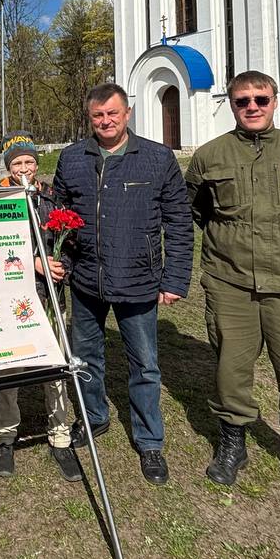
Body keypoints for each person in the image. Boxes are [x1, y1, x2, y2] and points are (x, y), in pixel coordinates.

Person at [185, 71, 280, 516]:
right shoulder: (210, 156)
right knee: (231, 368)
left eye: (261, 99)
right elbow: (198, 209)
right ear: (230, 105)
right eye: (242, 101)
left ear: (275, 100)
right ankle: (233, 442)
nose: (252, 107)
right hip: (231, 281)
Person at [51, 83, 193, 486]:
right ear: (89, 118)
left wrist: (175, 278)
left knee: (144, 364)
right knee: (85, 358)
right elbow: (58, 217)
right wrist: (60, 261)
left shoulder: (156, 158)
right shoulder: (73, 158)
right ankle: (94, 417)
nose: (106, 121)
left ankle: (149, 441)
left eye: (112, 114)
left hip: (137, 278)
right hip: (86, 278)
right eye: (98, 116)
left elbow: (179, 223)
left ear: (127, 113)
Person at [0, 133, 82, 482]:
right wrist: (34, 262)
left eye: (29, 161)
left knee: (56, 364)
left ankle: (60, 436)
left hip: (50, 296)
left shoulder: (49, 197)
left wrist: (61, 266)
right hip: (13, 297)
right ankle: (5, 436)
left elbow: (70, 240)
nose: (24, 168)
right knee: (10, 367)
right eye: (17, 163)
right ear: (8, 168)